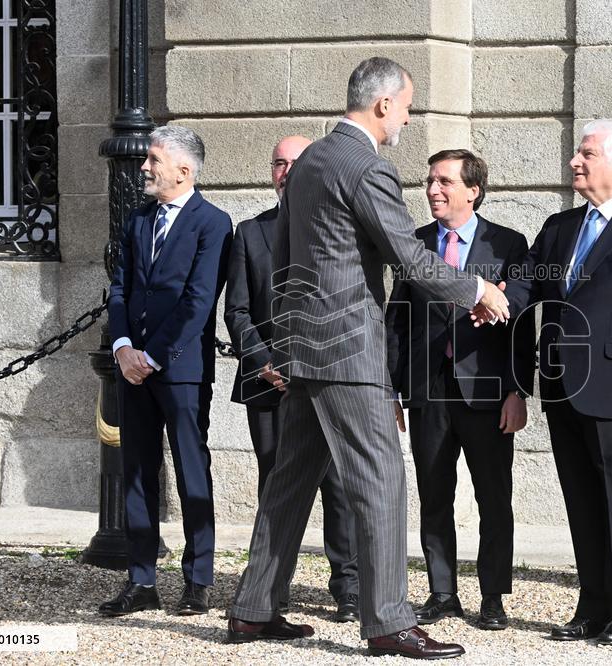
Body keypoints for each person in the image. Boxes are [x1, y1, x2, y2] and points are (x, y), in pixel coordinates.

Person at [225, 57, 509, 659]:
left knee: (290, 483)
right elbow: (408, 256)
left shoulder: (309, 164)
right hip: (351, 353)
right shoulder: (366, 167)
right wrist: (478, 289)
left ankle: (252, 610)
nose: (408, 115)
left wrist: (293, 338)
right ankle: (386, 622)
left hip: (309, 349)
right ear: (382, 104)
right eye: (407, 105)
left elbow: (282, 258)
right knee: (381, 479)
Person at [499, 119, 612, 645]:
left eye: (586, 154)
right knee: (581, 500)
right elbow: (526, 282)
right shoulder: (560, 228)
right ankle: (592, 605)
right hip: (563, 389)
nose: (575, 163)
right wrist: (492, 301)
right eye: (577, 154)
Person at [385, 149, 534, 631]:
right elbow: (397, 322)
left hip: (489, 395)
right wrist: (391, 390)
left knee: (494, 498)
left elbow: (520, 323)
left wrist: (518, 391)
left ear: (473, 190)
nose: (433, 190)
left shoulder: (508, 244)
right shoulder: (416, 244)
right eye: (430, 181)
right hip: (428, 392)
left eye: (444, 182)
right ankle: (442, 592)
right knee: (433, 494)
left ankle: (493, 597)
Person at [224, 135, 360, 623]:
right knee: (275, 485)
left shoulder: (335, 227)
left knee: (339, 486)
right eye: (277, 162)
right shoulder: (249, 233)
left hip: (324, 378)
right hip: (269, 384)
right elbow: (237, 310)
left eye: (294, 162)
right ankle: (270, 590)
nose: (285, 170)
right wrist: (264, 360)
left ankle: (348, 586)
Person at [103, 125, 232, 617]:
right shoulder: (137, 220)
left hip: (178, 369)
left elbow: (199, 301)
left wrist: (151, 356)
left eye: (153, 159)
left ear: (184, 169)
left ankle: (198, 579)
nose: (144, 167)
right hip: (129, 367)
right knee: (135, 469)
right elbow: (118, 288)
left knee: (191, 470)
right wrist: (121, 347)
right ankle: (141, 580)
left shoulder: (212, 223)